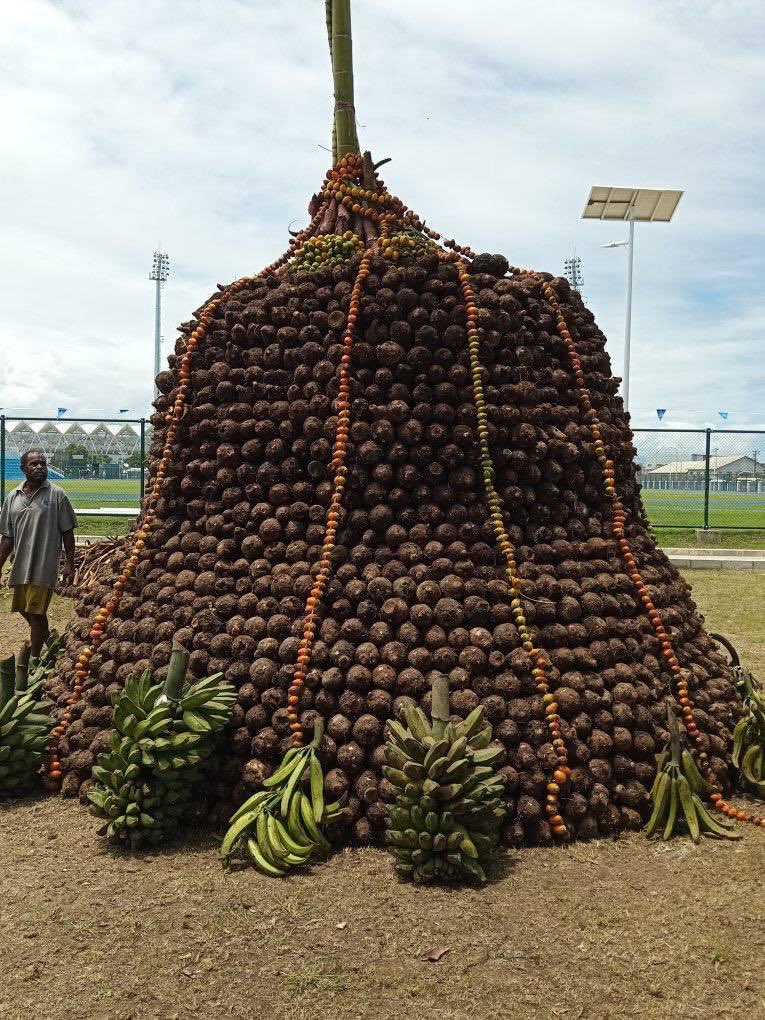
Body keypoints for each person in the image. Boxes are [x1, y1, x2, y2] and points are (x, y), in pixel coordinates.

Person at [0, 448, 77, 655]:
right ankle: (51, 643)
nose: (40, 467)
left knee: (36, 612)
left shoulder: (57, 494)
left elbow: (68, 532)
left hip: (44, 564)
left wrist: (70, 564)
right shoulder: (13, 496)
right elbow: (7, 537)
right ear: (24, 468)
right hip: (20, 565)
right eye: (34, 464)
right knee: (24, 609)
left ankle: (33, 659)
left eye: (43, 463)